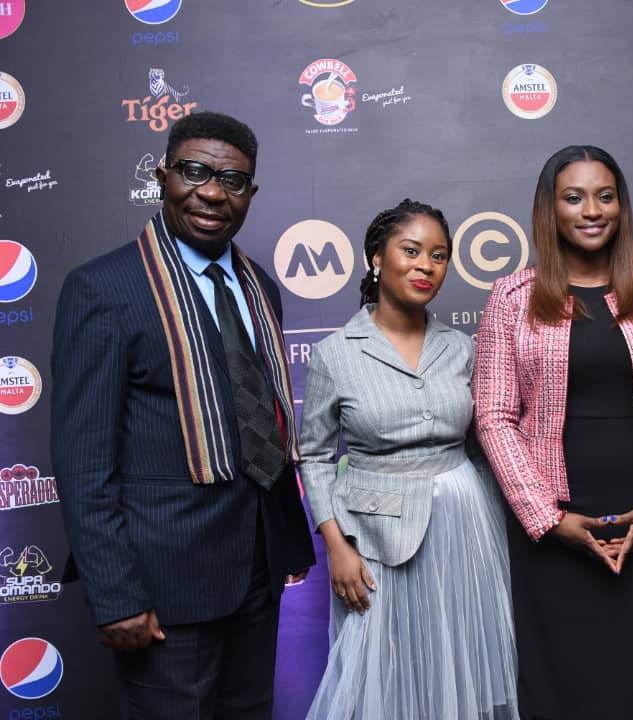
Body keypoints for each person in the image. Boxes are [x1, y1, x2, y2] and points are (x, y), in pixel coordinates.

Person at [51, 111, 316, 719]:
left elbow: (262, 417)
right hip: (163, 585)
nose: (213, 193)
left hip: (255, 570)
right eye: (194, 172)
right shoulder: (105, 288)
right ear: (163, 175)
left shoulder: (259, 286)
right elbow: (82, 459)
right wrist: (116, 594)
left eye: (234, 180)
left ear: (251, 193)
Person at [473, 146, 633, 720]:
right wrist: (547, 520)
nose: (592, 210)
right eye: (574, 196)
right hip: (556, 529)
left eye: (605, 196)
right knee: (561, 688)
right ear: (550, 209)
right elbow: (494, 416)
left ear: (621, 207)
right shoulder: (511, 300)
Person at [299, 199, 519, 720]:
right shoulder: (337, 352)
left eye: (439, 256)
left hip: (467, 525)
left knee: (463, 660)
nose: (427, 265)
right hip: (375, 534)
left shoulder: (461, 347)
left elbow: (480, 444)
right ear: (377, 258)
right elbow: (313, 455)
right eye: (412, 251)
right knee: (383, 670)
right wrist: (337, 545)